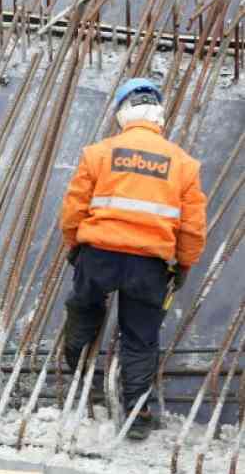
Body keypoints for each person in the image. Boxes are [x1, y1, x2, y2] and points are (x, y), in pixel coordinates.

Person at [59, 78, 207, 441]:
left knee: (83, 311)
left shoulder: (97, 153)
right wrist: (184, 264)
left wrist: (74, 246)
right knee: (140, 338)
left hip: (99, 255)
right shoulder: (184, 164)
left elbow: (73, 209)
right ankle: (138, 415)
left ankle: (84, 384)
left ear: (122, 113)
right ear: (158, 115)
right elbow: (192, 227)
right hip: (150, 263)